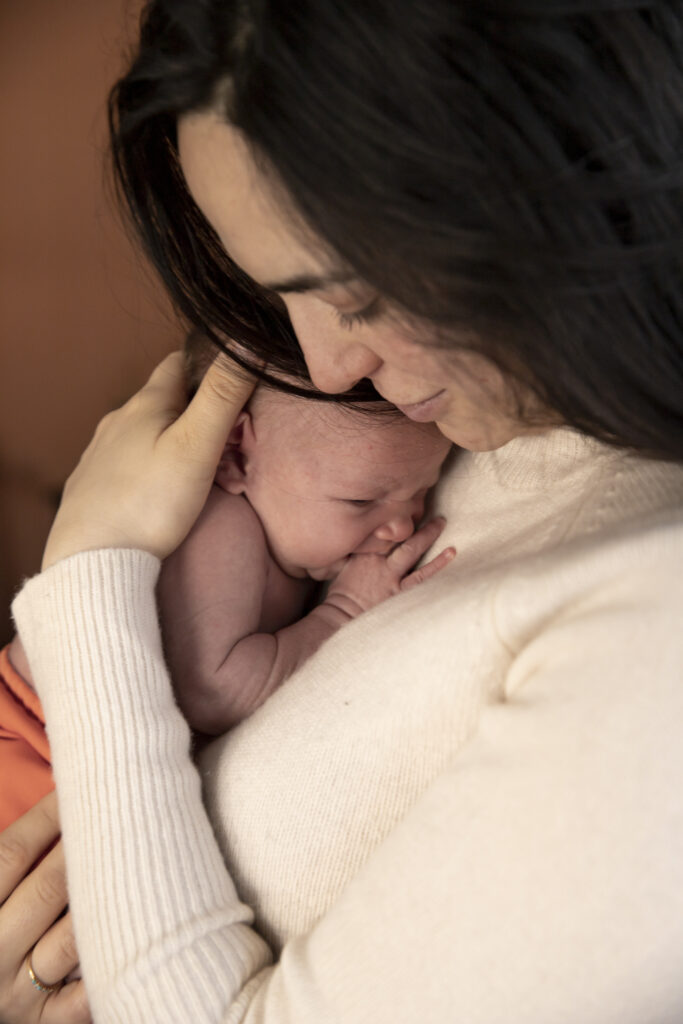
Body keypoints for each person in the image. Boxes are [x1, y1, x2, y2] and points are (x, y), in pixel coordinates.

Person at [1, 2, 682, 1023]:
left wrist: (92, 570)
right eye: (282, 301)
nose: (327, 369)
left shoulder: (652, 630)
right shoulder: (492, 413)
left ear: (536, 186)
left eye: (354, 295)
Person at [0, 337, 452, 822]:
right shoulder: (222, 524)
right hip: (32, 745)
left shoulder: (291, 524)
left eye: (422, 490)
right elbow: (215, 693)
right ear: (235, 458)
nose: (402, 527)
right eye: (361, 502)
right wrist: (343, 610)